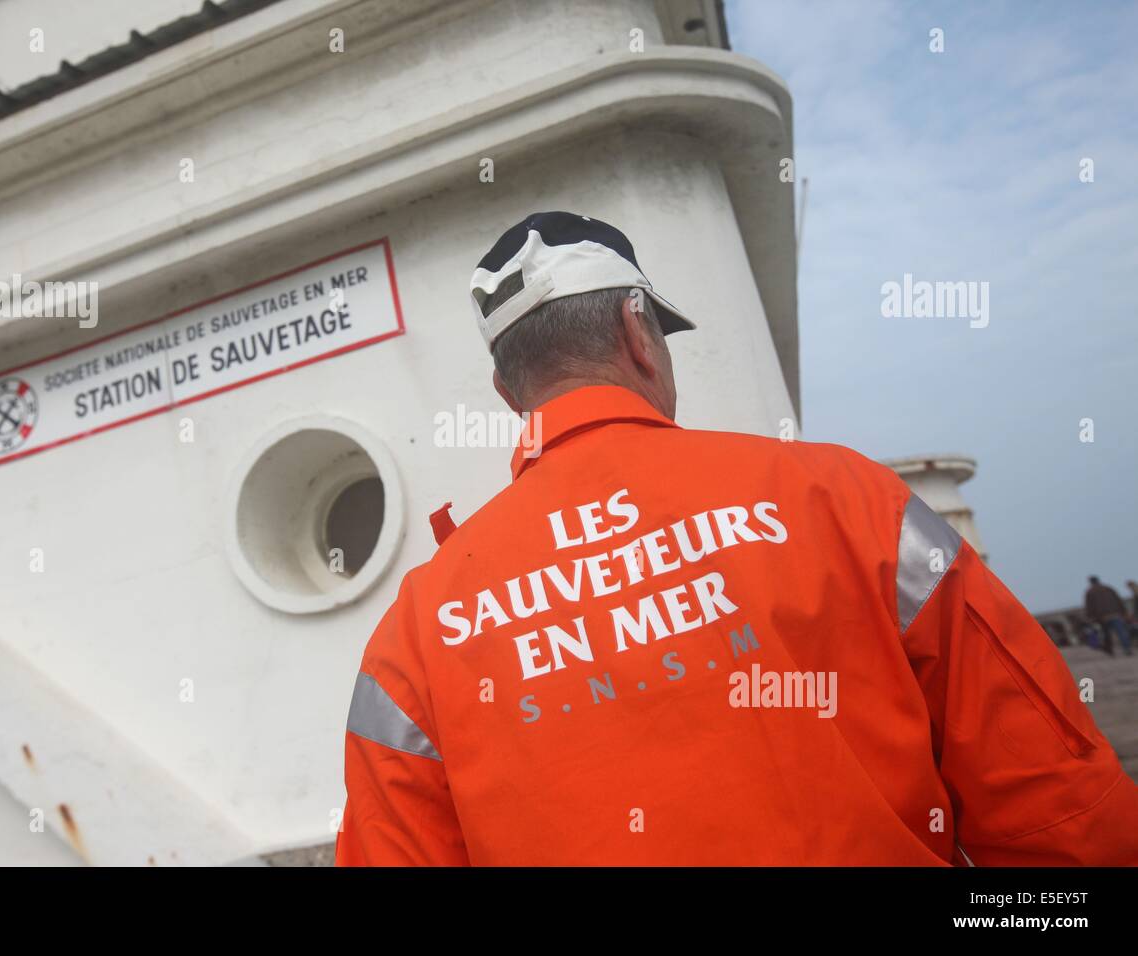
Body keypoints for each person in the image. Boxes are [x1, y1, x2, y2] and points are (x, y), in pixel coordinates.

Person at [335, 211, 1138, 865]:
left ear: (509, 391)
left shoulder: (416, 635)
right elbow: (1061, 816)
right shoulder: (846, 499)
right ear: (638, 330)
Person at [1084, 576, 1133, 656]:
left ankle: (1110, 651)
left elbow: (1089, 606)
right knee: (1121, 633)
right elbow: (1118, 600)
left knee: (1106, 635)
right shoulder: (1108, 589)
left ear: (1091, 582)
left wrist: (1090, 617)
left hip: (1102, 617)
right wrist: (1124, 612)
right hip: (1115, 614)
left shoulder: (1090, 592)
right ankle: (1127, 649)